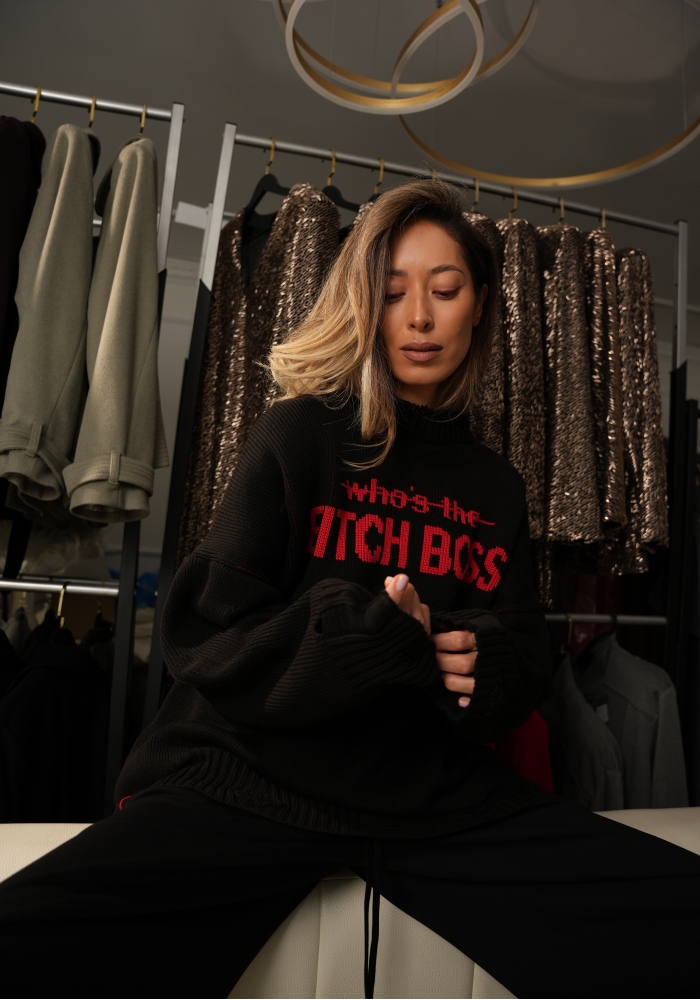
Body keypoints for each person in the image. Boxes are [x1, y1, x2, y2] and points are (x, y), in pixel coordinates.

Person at [0, 181, 698, 999]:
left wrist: (481, 664)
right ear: (363, 301)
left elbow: (522, 661)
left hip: (432, 798)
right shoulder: (298, 433)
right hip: (252, 781)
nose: (419, 317)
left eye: (445, 290)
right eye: (393, 292)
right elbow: (202, 634)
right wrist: (354, 637)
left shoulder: (497, 487)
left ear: (480, 306)